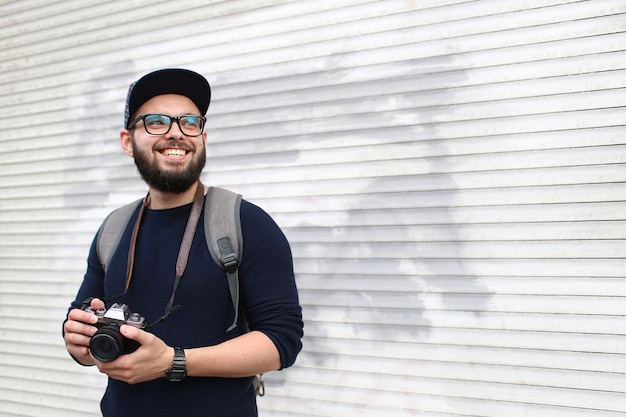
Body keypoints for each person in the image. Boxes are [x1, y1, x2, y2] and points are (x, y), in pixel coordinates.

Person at [63, 68, 304, 417]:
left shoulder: (246, 223)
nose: (176, 133)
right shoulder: (113, 229)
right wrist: (78, 340)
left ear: (203, 137)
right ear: (127, 141)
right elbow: (79, 319)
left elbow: (283, 340)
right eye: (156, 122)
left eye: (189, 122)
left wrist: (174, 362)